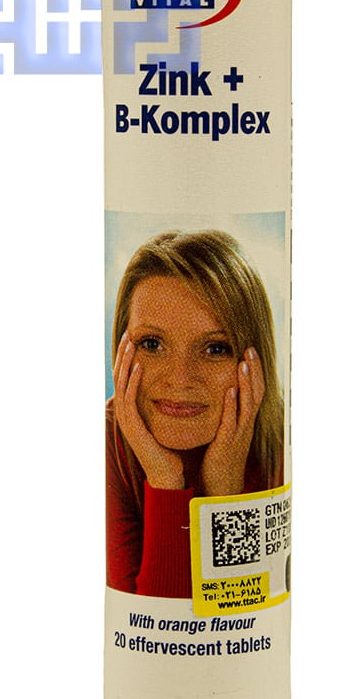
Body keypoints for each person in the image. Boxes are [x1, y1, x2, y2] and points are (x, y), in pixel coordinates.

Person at [106, 229, 284, 598]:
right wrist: (165, 482)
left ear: (254, 358)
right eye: (152, 344)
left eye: (215, 349)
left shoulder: (283, 445)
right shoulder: (106, 442)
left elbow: (240, 612)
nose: (180, 378)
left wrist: (225, 491)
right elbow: (153, 620)